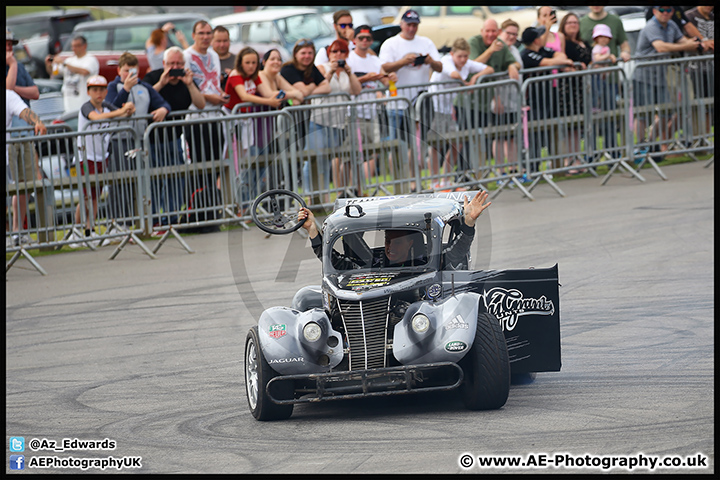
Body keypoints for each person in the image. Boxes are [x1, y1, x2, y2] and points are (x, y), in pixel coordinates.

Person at [298, 190, 492, 270]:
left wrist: (467, 223)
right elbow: (334, 260)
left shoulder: (429, 261)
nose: (388, 246)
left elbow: (457, 252)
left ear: (410, 243)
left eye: (395, 241)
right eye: (387, 240)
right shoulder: (376, 263)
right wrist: (313, 230)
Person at [105, 51, 171, 228]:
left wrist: (164, 109)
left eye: (133, 71)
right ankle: (119, 223)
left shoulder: (145, 87)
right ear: (119, 71)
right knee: (121, 183)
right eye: (126, 71)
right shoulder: (113, 87)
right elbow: (110, 107)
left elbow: (163, 102)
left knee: (144, 181)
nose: (129, 75)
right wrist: (125, 89)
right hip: (120, 141)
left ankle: (145, 221)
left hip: (142, 141)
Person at [69, 75, 134, 248]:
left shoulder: (106, 106)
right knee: (87, 196)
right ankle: (78, 230)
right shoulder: (87, 106)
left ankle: (89, 230)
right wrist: (121, 110)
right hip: (85, 157)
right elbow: (95, 118)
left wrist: (128, 108)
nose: (98, 93)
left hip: (101, 157)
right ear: (89, 91)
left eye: (101, 89)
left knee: (95, 196)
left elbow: (119, 114)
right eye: (94, 90)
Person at [379, 9, 441, 190]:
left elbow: (439, 66)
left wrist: (429, 61)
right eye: (409, 25)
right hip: (397, 102)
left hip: (419, 100)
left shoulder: (426, 42)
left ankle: (415, 182)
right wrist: (404, 61)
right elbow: (384, 67)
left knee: (417, 142)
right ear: (402, 24)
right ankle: (399, 183)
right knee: (398, 144)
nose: (412, 28)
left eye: (415, 25)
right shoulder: (391, 44)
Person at [144, 46, 206, 230]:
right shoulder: (153, 78)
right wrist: (162, 83)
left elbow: (200, 104)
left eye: (179, 63)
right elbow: (143, 99)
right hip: (152, 140)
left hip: (174, 139)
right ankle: (154, 219)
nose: (175, 67)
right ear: (164, 64)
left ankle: (170, 218)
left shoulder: (187, 80)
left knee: (176, 179)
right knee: (154, 181)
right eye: (171, 64)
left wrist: (189, 83)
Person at [633, 6, 703, 159]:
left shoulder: (671, 25)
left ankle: (656, 144)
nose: (666, 13)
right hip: (643, 76)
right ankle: (640, 147)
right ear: (655, 11)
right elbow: (661, 47)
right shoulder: (651, 26)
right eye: (662, 9)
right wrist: (687, 45)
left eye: (669, 9)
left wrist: (695, 42)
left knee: (666, 113)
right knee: (643, 114)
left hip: (661, 76)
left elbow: (682, 40)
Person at [222, 47, 283, 211]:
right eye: (247, 63)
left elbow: (266, 93)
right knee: (241, 164)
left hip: (247, 122)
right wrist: (269, 102)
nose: (250, 66)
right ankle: (240, 204)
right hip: (231, 121)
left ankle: (249, 203)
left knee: (255, 163)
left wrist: (278, 96)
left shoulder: (254, 77)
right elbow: (244, 96)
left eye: (254, 63)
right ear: (241, 63)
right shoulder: (235, 75)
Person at [428, 38, 493, 182]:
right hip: (435, 106)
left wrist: (475, 77)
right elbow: (454, 74)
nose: (463, 60)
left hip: (448, 109)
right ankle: (434, 182)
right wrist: (465, 85)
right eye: (459, 56)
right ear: (452, 54)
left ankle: (446, 180)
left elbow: (488, 68)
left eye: (465, 56)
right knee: (435, 145)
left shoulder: (467, 63)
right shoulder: (446, 61)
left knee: (458, 143)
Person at [183, 20, 226, 227]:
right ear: (194, 35)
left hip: (215, 117)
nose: (206, 37)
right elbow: (190, 87)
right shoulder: (186, 56)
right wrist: (211, 98)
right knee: (200, 166)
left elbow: (214, 81)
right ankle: (200, 213)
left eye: (209, 33)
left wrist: (220, 96)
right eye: (201, 33)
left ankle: (213, 209)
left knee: (215, 165)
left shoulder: (214, 55)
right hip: (196, 119)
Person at [465, 18, 521, 178]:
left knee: (498, 134)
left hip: (490, 100)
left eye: (493, 31)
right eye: (487, 31)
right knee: (469, 140)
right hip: (469, 102)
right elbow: (472, 65)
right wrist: (490, 50)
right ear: (482, 31)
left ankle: (498, 173)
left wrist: (511, 66)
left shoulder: (500, 45)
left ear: (497, 32)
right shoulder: (474, 42)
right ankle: (467, 176)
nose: (490, 34)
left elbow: (515, 63)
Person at [344, 25, 394, 193]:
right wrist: (366, 78)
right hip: (353, 114)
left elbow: (386, 82)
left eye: (368, 38)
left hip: (371, 113)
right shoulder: (349, 59)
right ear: (354, 40)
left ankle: (364, 189)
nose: (364, 41)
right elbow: (347, 85)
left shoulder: (374, 60)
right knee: (353, 155)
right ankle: (353, 190)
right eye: (361, 38)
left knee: (372, 152)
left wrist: (391, 79)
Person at [311, 38, 362, 197]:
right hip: (319, 120)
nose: (338, 54)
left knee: (335, 157)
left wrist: (349, 72)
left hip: (338, 122)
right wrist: (330, 72)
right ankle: (317, 197)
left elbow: (356, 90)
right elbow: (320, 87)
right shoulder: (320, 67)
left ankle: (337, 193)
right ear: (328, 54)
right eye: (334, 51)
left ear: (347, 54)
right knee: (318, 159)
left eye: (342, 51)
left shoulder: (348, 70)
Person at [520, 26, 573, 174]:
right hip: (533, 102)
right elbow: (546, 63)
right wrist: (561, 62)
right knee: (534, 135)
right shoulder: (526, 54)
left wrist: (561, 60)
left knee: (551, 132)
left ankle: (556, 168)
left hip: (548, 98)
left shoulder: (543, 51)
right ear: (536, 40)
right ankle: (531, 169)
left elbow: (560, 56)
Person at [6, 89, 46, 247]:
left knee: (22, 187)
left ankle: (16, 232)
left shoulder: (8, 95)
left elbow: (24, 111)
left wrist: (38, 122)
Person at [558, 13, 591, 174]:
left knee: (578, 125)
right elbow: (563, 58)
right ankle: (568, 159)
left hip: (581, 87)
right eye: (569, 22)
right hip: (568, 87)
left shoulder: (584, 42)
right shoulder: (564, 41)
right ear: (564, 25)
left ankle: (577, 157)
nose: (573, 25)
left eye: (575, 22)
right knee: (569, 125)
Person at [45, 35, 99, 113]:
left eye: (77, 46)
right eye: (72, 46)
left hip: (84, 101)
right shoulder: (69, 60)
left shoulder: (90, 59)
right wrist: (48, 65)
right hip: (69, 102)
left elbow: (84, 72)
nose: (74, 49)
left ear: (84, 46)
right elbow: (53, 73)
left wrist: (64, 63)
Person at [6, 28, 39, 108]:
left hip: (23, 116)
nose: (8, 48)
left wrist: (15, 89)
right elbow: (8, 93)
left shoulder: (19, 67)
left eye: (10, 44)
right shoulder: (14, 64)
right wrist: (13, 64)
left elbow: (35, 93)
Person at [211, 25, 234, 91]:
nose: (222, 45)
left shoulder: (238, 61)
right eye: (218, 41)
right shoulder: (207, 61)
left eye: (225, 41)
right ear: (211, 41)